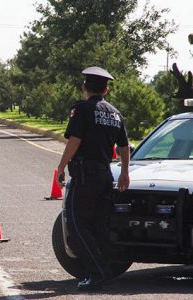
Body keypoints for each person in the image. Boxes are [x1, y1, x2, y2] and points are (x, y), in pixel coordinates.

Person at [57, 66, 130, 291]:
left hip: (85, 175)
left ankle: (97, 272)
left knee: (77, 225)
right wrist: (125, 173)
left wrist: (60, 167)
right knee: (98, 224)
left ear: (84, 87)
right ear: (106, 91)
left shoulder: (81, 109)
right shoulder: (115, 113)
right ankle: (105, 269)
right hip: (106, 175)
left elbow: (75, 140)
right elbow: (124, 146)